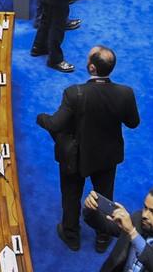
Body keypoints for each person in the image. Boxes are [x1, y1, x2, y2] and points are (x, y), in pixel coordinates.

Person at [37, 45, 140, 253]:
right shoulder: (126, 93)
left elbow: (55, 124)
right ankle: (103, 236)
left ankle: (71, 235)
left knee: (71, 195)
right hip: (107, 157)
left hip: (76, 157)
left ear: (91, 68)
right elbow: (133, 123)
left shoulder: (74, 93)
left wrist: (41, 118)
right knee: (104, 197)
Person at [83, 183, 153, 271]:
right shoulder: (138, 219)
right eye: (145, 208)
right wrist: (90, 209)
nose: (145, 215)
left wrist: (133, 233)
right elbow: (104, 225)